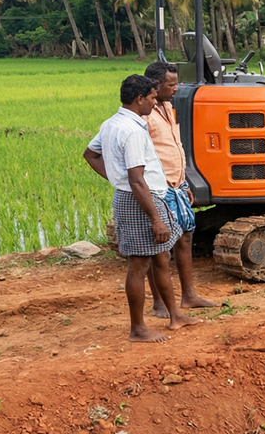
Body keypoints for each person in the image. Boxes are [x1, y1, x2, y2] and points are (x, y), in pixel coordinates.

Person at [83, 75, 200, 343]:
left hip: (139, 197)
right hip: (140, 202)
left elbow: (90, 154)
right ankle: (138, 328)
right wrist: (156, 219)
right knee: (138, 266)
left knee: (161, 258)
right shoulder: (133, 131)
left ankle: (175, 315)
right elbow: (136, 179)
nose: (154, 101)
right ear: (139, 99)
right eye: (151, 97)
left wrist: (116, 178)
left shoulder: (113, 123)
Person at [142, 61, 217, 317]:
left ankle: (189, 295)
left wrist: (184, 181)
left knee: (185, 237)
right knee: (159, 248)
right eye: (171, 84)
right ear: (155, 85)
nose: (176, 88)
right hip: (159, 189)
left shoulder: (167, 107)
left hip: (177, 185)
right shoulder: (144, 115)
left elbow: (174, 146)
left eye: (176, 83)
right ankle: (160, 302)